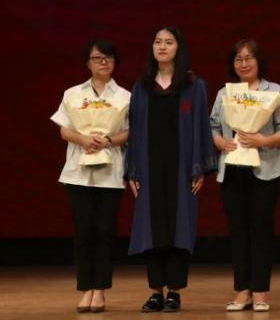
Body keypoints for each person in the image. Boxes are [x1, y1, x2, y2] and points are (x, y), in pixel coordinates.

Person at [125, 26, 216, 313]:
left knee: (179, 229)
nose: (162, 47)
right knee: (151, 230)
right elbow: (134, 131)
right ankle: (155, 292)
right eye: (157, 42)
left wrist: (200, 167)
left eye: (169, 42)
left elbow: (201, 127)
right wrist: (132, 170)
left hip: (182, 168)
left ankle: (174, 291)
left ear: (179, 48)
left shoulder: (193, 85)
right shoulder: (142, 87)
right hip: (149, 167)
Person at [211, 39, 280, 312]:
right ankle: (242, 291)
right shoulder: (225, 93)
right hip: (232, 169)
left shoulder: (275, 91)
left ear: (259, 61)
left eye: (249, 58)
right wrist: (220, 142)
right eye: (238, 59)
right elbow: (212, 126)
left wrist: (263, 141)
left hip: (265, 170)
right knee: (238, 232)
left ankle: (260, 292)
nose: (243, 64)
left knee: (261, 231)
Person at [51, 39, 130, 313]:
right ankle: (86, 289)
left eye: (108, 57)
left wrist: (107, 140)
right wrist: (83, 139)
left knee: (105, 232)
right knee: (83, 231)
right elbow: (64, 129)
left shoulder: (125, 96)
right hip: (78, 172)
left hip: (110, 171)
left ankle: (101, 290)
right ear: (88, 63)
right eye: (97, 58)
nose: (103, 62)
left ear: (115, 62)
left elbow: (129, 131)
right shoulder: (73, 93)